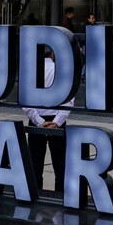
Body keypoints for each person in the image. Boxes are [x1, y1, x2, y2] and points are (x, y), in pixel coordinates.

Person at [22, 47, 72, 193]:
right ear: (53, 54)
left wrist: (38, 121)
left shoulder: (31, 71)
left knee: (35, 164)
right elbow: (69, 99)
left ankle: (36, 195)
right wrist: (57, 121)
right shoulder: (62, 70)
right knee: (61, 165)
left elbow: (25, 101)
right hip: (57, 121)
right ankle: (60, 196)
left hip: (37, 119)